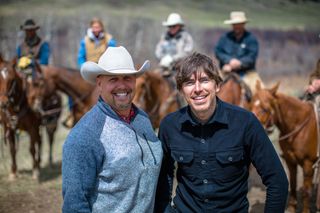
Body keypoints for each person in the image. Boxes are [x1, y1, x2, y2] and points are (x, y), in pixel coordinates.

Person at [155, 52, 288, 212]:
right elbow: (163, 177)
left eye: (204, 80)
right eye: (189, 83)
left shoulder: (246, 122)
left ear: (217, 85)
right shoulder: (170, 126)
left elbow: (277, 180)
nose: (197, 89)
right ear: (182, 90)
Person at [62, 46, 163, 213]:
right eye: (113, 79)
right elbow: (74, 205)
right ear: (99, 83)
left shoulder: (143, 119)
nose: (122, 85)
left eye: (127, 78)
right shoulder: (85, 135)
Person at [214, 11, 262, 94]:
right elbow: (218, 51)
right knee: (210, 87)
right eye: (234, 24)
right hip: (225, 71)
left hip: (247, 73)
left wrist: (240, 63)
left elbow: (252, 56)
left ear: (243, 24)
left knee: (260, 93)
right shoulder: (225, 38)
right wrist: (229, 61)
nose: (236, 26)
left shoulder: (251, 39)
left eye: (239, 24)